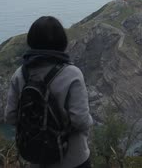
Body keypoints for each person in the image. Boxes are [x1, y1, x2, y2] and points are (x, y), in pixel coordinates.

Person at [5, 16, 93, 168]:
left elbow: (11, 117)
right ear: (62, 43)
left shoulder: (20, 74)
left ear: (31, 41)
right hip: (73, 159)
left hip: (36, 159)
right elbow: (80, 120)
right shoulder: (72, 74)